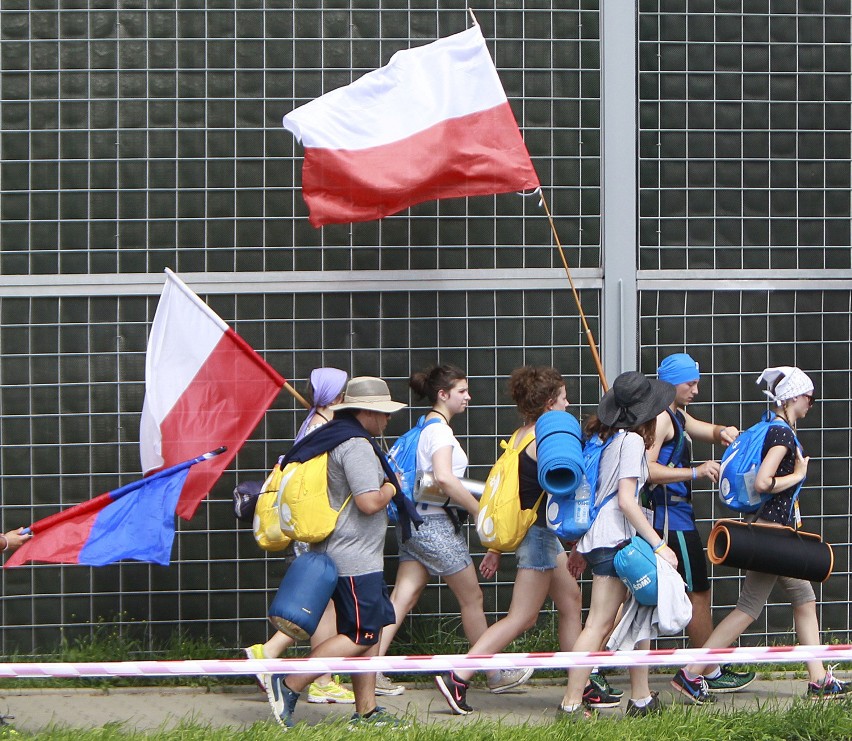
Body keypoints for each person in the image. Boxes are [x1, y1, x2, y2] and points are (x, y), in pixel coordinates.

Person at [677, 366, 849, 702]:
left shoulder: (772, 427)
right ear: (795, 397)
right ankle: (691, 672)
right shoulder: (783, 435)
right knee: (749, 609)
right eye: (809, 400)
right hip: (774, 534)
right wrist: (798, 474)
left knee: (799, 600)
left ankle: (819, 679)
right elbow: (763, 482)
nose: (810, 406)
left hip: (772, 531)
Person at [435, 366, 587, 715]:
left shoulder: (520, 436)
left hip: (531, 533)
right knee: (522, 617)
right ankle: (459, 675)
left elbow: (513, 493)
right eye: (563, 399)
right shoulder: (548, 441)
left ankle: (582, 682)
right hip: (540, 537)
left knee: (571, 600)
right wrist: (579, 542)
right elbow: (558, 496)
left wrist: (495, 546)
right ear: (550, 403)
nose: (568, 404)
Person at [264, 376, 413, 728]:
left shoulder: (336, 437)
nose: (388, 419)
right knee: (364, 635)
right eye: (383, 413)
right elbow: (367, 502)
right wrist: (393, 486)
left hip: (352, 554)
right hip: (354, 558)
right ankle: (288, 684)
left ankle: (366, 710)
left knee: (370, 628)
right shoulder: (356, 445)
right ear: (366, 411)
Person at [375, 364, 530, 697]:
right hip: (434, 527)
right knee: (472, 597)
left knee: (404, 596)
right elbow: (444, 478)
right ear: (442, 395)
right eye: (462, 391)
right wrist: (479, 511)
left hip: (413, 524)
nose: (468, 397)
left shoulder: (426, 427)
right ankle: (492, 671)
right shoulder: (440, 431)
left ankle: (371, 669)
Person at [558, 370, 678, 719]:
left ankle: (641, 698)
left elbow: (598, 494)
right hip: (616, 540)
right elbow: (626, 500)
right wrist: (658, 545)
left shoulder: (609, 438)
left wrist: (581, 548)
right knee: (597, 623)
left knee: (640, 613)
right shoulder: (633, 443)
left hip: (602, 538)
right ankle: (570, 703)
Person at [244, 368, 355, 705]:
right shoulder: (323, 431)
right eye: (345, 392)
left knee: (322, 603)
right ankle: (311, 674)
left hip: (307, 526)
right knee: (320, 601)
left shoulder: (311, 426)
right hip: (316, 527)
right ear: (336, 397)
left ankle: (292, 663)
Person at [646, 353, 754, 696]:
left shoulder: (675, 414)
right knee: (698, 594)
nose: (696, 388)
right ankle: (707, 668)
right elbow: (647, 471)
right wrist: (695, 471)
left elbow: (700, 428)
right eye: (689, 383)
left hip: (674, 518)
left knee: (636, 599)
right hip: (670, 522)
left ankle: (596, 665)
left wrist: (724, 431)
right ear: (671, 383)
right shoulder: (662, 419)